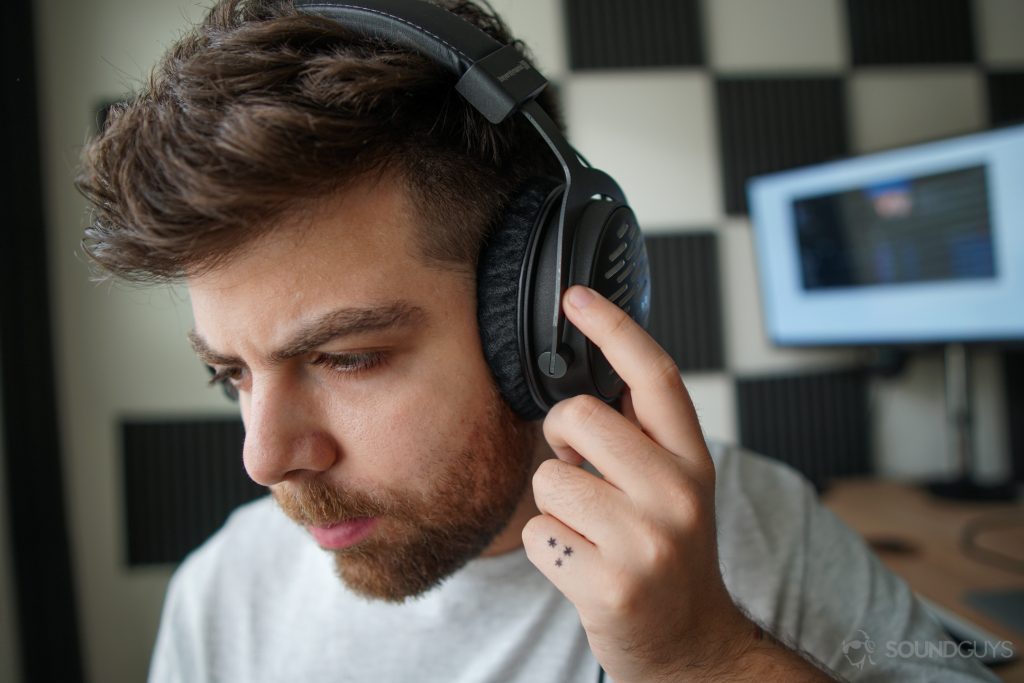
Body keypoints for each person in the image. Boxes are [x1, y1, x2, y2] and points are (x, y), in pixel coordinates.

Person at [76, 1, 999, 681]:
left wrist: (706, 658)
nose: (266, 457)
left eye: (345, 357)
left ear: (545, 315)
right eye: (227, 373)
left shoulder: (751, 531)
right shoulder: (224, 594)